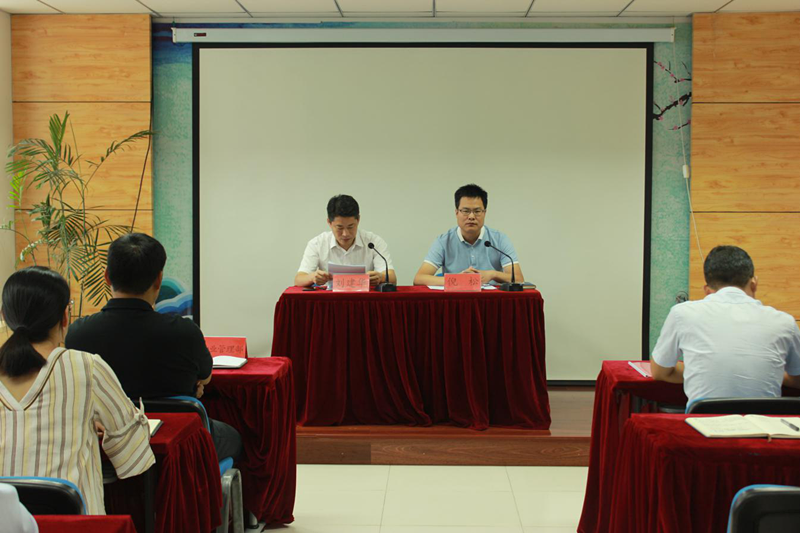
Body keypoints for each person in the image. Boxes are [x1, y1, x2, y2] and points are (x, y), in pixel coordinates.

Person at [65, 233, 242, 461]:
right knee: (232, 437)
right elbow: (205, 377)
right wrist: (193, 387)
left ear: (107, 276)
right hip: (178, 449)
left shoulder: (78, 334)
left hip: (107, 451)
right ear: (159, 279)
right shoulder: (184, 332)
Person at [0, 267, 154, 515]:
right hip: (76, 523)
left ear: (5, 316)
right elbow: (132, 451)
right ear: (65, 317)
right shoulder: (86, 367)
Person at [651, 245, 800, 403]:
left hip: (703, 418)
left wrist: (700, 371)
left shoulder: (681, 314)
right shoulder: (785, 323)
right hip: (763, 419)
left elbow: (660, 372)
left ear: (707, 291)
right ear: (754, 284)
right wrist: (770, 371)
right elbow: (797, 380)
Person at [413, 184, 524, 286]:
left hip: (491, 298)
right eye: (466, 211)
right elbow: (419, 279)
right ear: (457, 213)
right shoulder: (443, 241)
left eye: (477, 211)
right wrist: (457, 279)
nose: (471, 216)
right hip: (457, 298)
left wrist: (492, 274)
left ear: (484, 213)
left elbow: (519, 279)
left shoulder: (499, 239)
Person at [295, 194, 397, 287]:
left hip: (363, 298)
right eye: (339, 227)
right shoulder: (317, 243)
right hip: (329, 299)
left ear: (358, 220)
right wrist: (312, 277)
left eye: (350, 227)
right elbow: (298, 279)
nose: (345, 234)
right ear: (329, 222)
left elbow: (392, 277)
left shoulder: (373, 242)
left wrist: (381, 277)